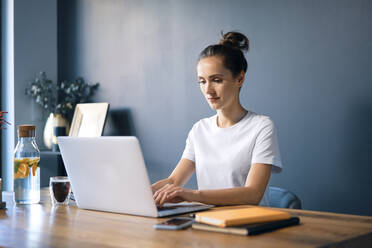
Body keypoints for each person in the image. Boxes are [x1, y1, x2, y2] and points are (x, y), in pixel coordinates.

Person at [152, 31, 282, 207]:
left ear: (240, 78)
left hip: (249, 225)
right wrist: (139, 194)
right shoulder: (200, 129)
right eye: (202, 81)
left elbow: (253, 194)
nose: (208, 90)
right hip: (208, 223)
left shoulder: (261, 126)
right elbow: (174, 181)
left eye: (216, 80)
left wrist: (193, 195)